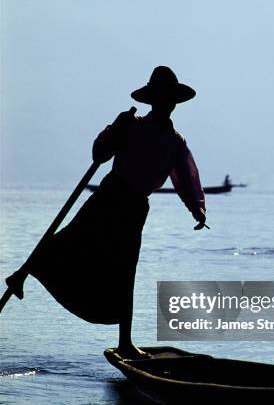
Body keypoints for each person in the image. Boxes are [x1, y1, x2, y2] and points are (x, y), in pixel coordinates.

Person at [15, 66, 207, 358]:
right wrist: (114, 128)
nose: (166, 103)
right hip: (111, 195)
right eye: (161, 97)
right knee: (69, 241)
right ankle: (20, 275)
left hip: (135, 207)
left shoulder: (176, 141)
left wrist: (197, 209)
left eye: (170, 98)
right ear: (153, 99)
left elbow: (186, 177)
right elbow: (99, 155)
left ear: (174, 102)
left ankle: (125, 341)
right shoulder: (132, 126)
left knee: (124, 271)